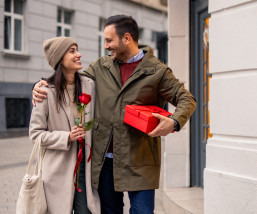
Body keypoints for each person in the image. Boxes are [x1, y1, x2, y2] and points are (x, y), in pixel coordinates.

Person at [33, 15, 196, 213]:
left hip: (140, 160)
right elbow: (71, 79)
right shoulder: (101, 66)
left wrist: (174, 122)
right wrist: (41, 85)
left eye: (109, 40)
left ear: (126, 38)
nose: (106, 46)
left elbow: (186, 99)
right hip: (104, 162)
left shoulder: (157, 71)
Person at [29, 37, 101, 214]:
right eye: (72, 51)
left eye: (77, 49)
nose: (79, 54)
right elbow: (35, 134)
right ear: (60, 58)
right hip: (57, 171)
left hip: (84, 167)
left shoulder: (88, 85)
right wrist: (66, 137)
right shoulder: (45, 92)